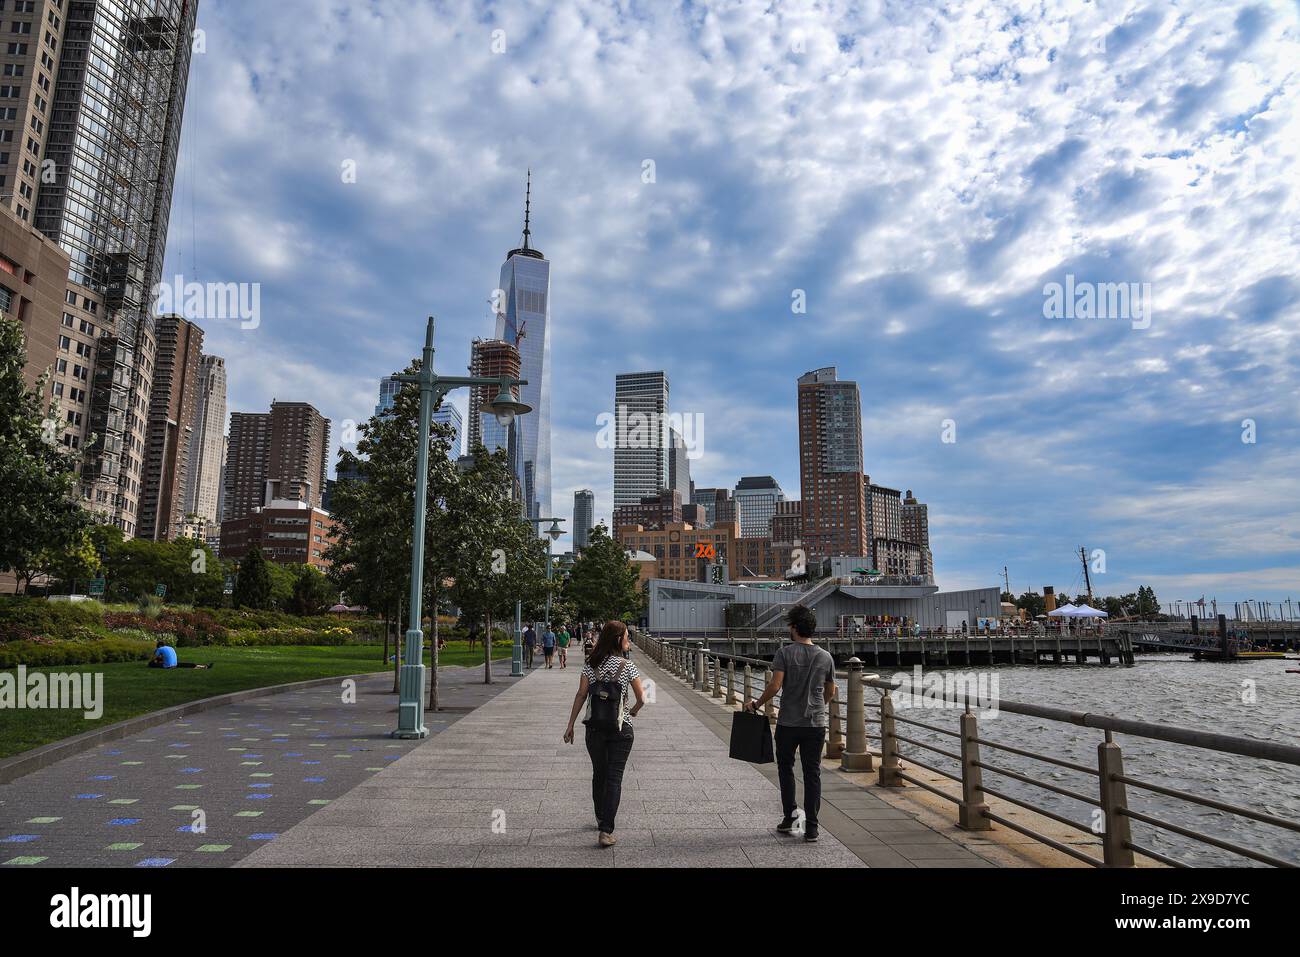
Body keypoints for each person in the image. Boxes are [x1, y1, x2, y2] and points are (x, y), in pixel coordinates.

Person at [747, 606, 835, 843]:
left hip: (788, 722)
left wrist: (755, 704)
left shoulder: (784, 653)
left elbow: (775, 686)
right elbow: (831, 691)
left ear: (794, 628)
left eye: (789, 625)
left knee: (786, 769)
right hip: (815, 724)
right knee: (812, 773)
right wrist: (818, 707)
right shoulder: (826, 657)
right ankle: (812, 828)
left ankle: (790, 817)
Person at [563, 621, 646, 847]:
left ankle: (601, 816)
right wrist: (633, 712)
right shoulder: (627, 666)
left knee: (599, 774)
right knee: (614, 778)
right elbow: (642, 699)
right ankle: (606, 831)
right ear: (619, 639)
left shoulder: (591, 664)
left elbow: (581, 695)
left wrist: (570, 725)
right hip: (621, 729)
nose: (629, 640)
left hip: (595, 728)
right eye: (627, 636)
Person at [148, 642, 213, 670]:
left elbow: (153, 659)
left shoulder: (159, 649)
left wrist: (155, 657)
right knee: (186, 665)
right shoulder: (170, 647)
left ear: (159, 646)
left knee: (151, 664)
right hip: (175, 664)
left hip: (168, 666)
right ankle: (203, 666)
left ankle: (202, 667)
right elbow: (163, 657)